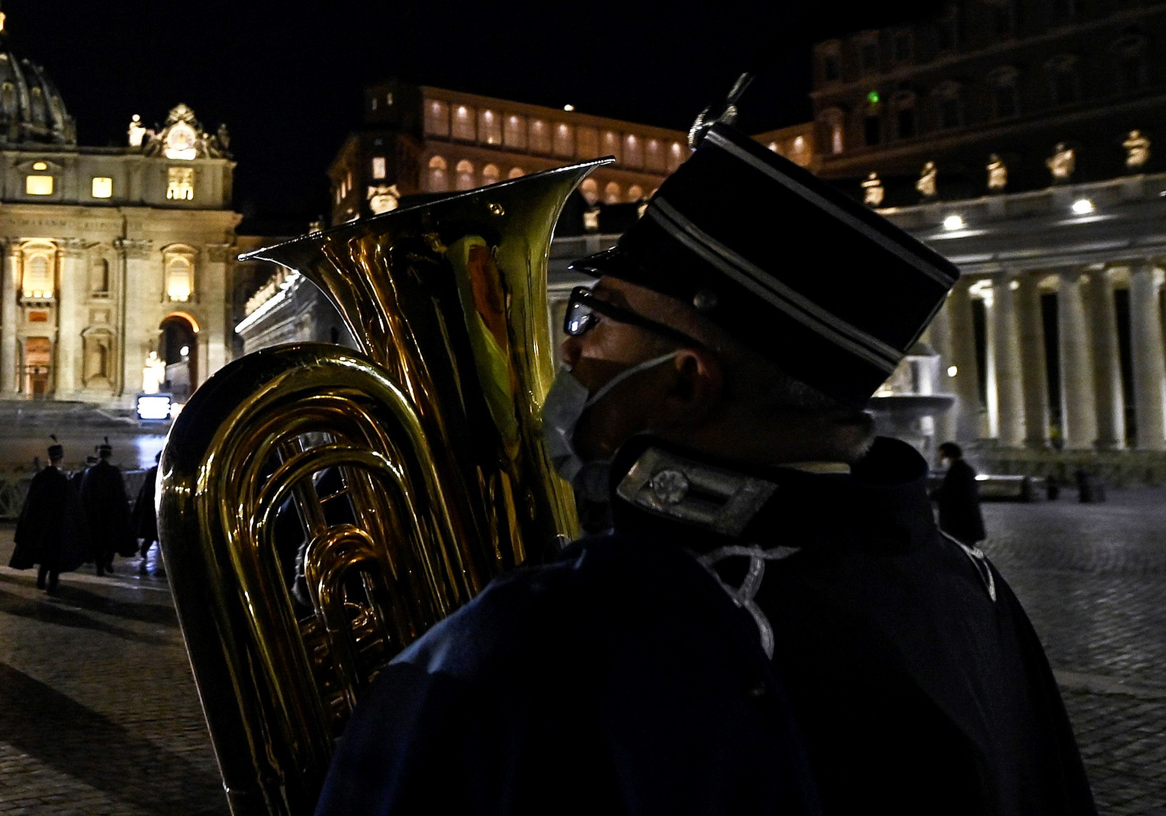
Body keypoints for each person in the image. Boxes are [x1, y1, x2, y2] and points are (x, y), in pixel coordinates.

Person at [315, 121, 1093, 815]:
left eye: (597, 314)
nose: (569, 348)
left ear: (687, 381)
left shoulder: (551, 637)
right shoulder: (980, 594)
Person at [10, 441, 86, 591]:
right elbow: (71, 505)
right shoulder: (63, 480)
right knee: (54, 555)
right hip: (57, 524)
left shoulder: (39, 478)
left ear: (49, 459)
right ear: (61, 459)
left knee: (44, 554)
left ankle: (40, 579)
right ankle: (52, 582)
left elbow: (31, 502)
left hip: (39, 523)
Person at [77, 439, 135, 575]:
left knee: (97, 542)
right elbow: (121, 494)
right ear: (109, 455)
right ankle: (108, 561)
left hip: (95, 514)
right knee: (110, 541)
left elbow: (84, 495)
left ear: (98, 455)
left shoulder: (90, 472)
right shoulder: (114, 472)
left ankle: (99, 567)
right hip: (111, 513)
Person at [935, 441, 986, 547]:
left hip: (960, 523)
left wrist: (932, 494)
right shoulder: (964, 469)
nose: (939, 458)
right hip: (966, 523)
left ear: (947, 455)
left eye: (941, 454)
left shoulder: (957, 470)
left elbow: (950, 492)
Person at [132, 455, 160, 570]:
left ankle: (144, 550)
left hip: (151, 507)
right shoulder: (159, 472)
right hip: (155, 507)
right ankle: (145, 550)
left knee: (151, 533)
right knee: (154, 533)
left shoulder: (152, 472)